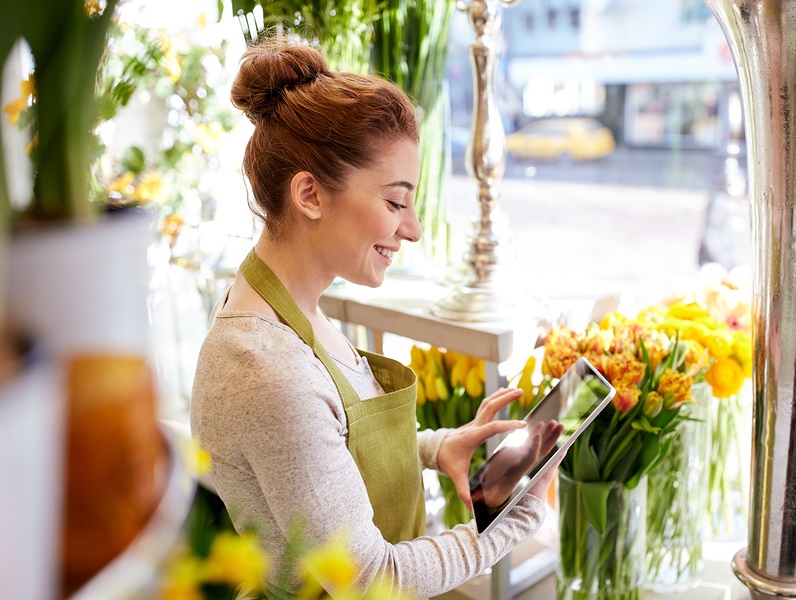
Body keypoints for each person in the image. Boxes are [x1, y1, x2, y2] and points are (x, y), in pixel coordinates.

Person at [190, 38, 559, 600]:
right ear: (309, 194)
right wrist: (516, 518)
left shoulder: (294, 310)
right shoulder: (268, 368)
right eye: (394, 202)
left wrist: (437, 447)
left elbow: (319, 457)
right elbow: (369, 578)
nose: (413, 230)